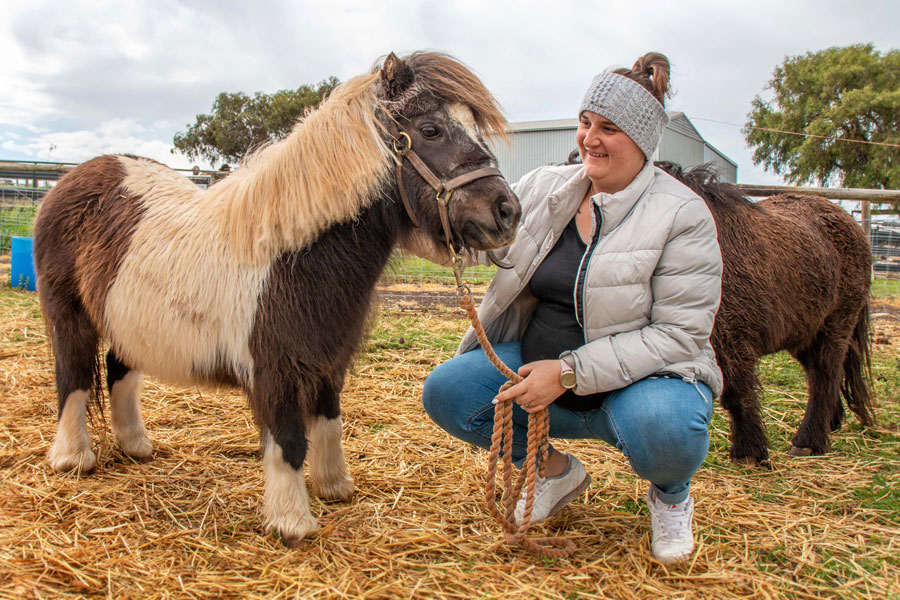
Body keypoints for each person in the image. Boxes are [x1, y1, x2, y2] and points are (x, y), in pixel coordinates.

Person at [422, 52, 723, 564]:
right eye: (585, 122)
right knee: (447, 392)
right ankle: (553, 471)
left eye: (609, 128)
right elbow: (488, 240)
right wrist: (432, 222)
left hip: (644, 380)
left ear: (644, 141)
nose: (589, 138)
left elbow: (678, 334)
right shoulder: (545, 187)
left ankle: (671, 498)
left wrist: (565, 374)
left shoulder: (683, 214)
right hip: (542, 360)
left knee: (668, 431)